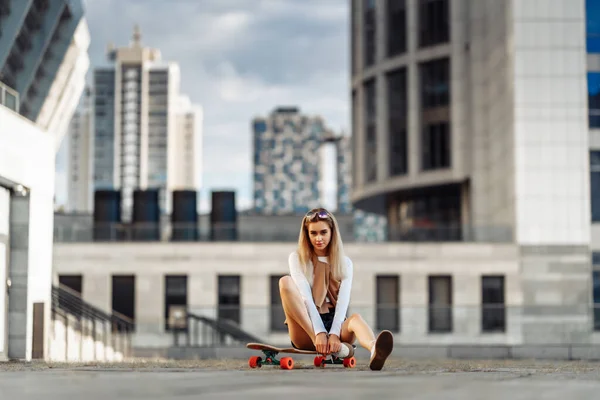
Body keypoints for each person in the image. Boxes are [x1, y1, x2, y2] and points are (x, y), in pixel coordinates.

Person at [279, 207, 394, 371]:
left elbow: (343, 302)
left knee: (355, 318)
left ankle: (375, 348)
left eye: (323, 232)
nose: (319, 238)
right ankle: (339, 349)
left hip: (335, 323)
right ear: (307, 234)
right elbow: (306, 298)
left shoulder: (345, 263)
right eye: (313, 233)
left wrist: (333, 333)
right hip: (306, 326)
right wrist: (318, 333)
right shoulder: (297, 259)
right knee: (285, 281)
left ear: (332, 233)